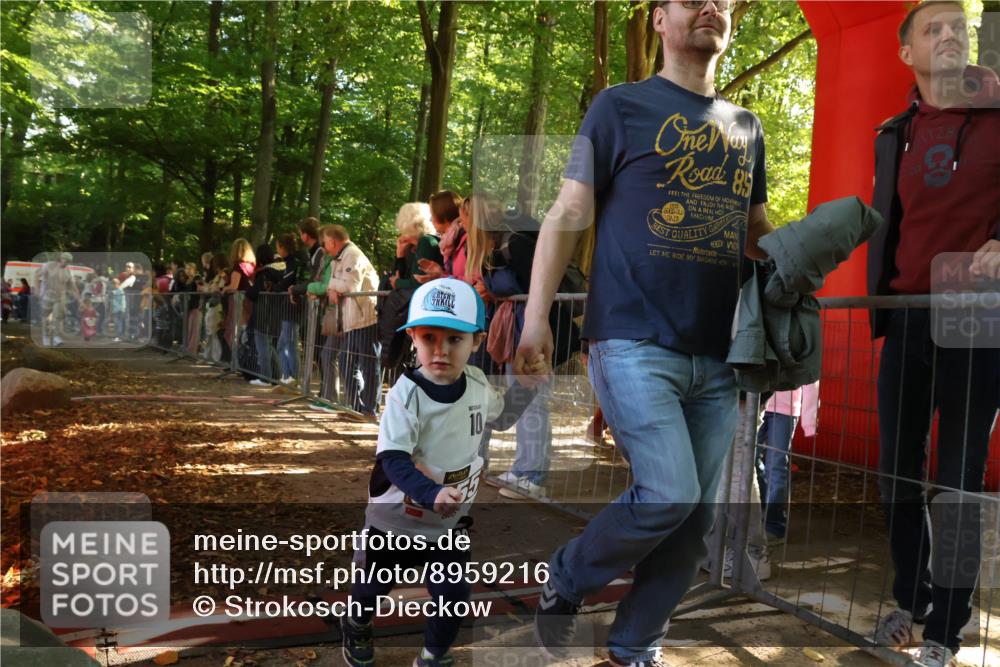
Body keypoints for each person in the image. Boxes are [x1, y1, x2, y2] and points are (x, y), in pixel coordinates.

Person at [512, 1, 774, 663]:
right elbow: (569, 210)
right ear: (659, 19)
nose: (712, 6)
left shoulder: (747, 127)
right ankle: (567, 575)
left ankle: (635, 644)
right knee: (669, 493)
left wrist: (803, 257)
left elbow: (756, 232)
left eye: (723, 1)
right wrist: (536, 316)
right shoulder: (617, 106)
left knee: (694, 521)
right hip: (631, 339)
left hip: (719, 354)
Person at [867, 2, 1000, 664]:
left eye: (958, 27)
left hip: (977, 311)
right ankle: (912, 598)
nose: (949, 35)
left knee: (958, 478)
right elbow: (885, 223)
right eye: (933, 29)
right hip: (908, 312)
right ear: (907, 53)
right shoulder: (894, 133)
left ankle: (946, 628)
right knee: (897, 472)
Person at [340, 278, 536, 667]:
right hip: (394, 520)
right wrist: (431, 493)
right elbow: (393, 460)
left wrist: (527, 386)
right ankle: (356, 622)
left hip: (448, 522)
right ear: (412, 337)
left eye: (455, 339)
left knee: (453, 595)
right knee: (372, 587)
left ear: (476, 342)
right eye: (429, 337)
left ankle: (433, 655)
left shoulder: (477, 383)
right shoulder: (406, 393)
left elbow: (501, 419)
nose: (441, 350)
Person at [319, 226, 381, 415]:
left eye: (325, 242)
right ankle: (356, 407)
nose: (324, 246)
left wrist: (330, 285)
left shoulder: (352, 255)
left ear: (332, 241)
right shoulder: (341, 257)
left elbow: (350, 286)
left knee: (368, 364)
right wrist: (332, 288)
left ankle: (369, 409)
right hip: (352, 320)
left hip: (365, 319)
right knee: (347, 361)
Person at [755, 383, 819, 543]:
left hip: (786, 409)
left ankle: (774, 526)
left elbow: (811, 380)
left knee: (776, 467)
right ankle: (761, 508)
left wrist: (810, 422)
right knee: (749, 461)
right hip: (755, 402)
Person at [246, 244, 285, 386]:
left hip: (263, 314)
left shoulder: (264, 274)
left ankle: (265, 378)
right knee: (269, 347)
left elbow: (252, 294)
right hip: (275, 314)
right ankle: (277, 376)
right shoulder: (280, 271)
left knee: (263, 347)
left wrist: (249, 288)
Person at [274, 233, 309, 384]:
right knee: (282, 344)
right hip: (289, 307)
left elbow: (285, 282)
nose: (277, 250)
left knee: (289, 344)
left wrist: (275, 287)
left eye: (277, 247)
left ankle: (293, 379)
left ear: (283, 247)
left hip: (294, 307)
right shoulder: (290, 262)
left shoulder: (295, 262)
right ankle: (287, 377)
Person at [416, 190, 467, 283]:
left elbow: (476, 283)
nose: (430, 220)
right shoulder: (451, 242)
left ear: (443, 215)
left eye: (432, 215)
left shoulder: (466, 241)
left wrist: (441, 276)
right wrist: (440, 273)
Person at [390, 202, 443, 290]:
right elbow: (397, 277)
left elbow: (418, 283)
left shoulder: (426, 242)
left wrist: (397, 283)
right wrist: (400, 255)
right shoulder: (412, 246)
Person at [38, 252, 81, 347]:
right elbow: (37, 275)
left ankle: (56, 337)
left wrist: (79, 300)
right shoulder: (49, 266)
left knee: (57, 317)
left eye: (69, 261)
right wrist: (37, 291)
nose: (67, 262)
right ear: (61, 258)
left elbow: (73, 286)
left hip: (59, 298)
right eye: (66, 260)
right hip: (47, 296)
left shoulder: (68, 271)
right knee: (46, 317)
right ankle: (45, 336)